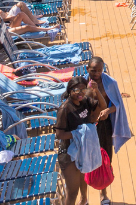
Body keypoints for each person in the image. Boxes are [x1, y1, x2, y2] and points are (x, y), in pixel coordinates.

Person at [87, 57, 131, 205]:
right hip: (87, 126)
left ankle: (103, 194)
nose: (97, 73)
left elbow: (117, 105)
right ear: (88, 69)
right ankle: (83, 196)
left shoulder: (110, 83)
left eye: (99, 70)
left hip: (104, 126)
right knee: (84, 158)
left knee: (105, 158)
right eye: (93, 70)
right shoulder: (82, 84)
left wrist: (107, 110)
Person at [56, 76, 101, 205]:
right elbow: (59, 134)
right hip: (68, 154)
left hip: (80, 148)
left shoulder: (83, 101)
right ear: (70, 90)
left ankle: (83, 201)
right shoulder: (64, 109)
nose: (80, 93)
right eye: (76, 90)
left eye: (83, 90)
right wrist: (80, 134)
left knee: (82, 177)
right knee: (72, 192)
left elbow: (100, 108)